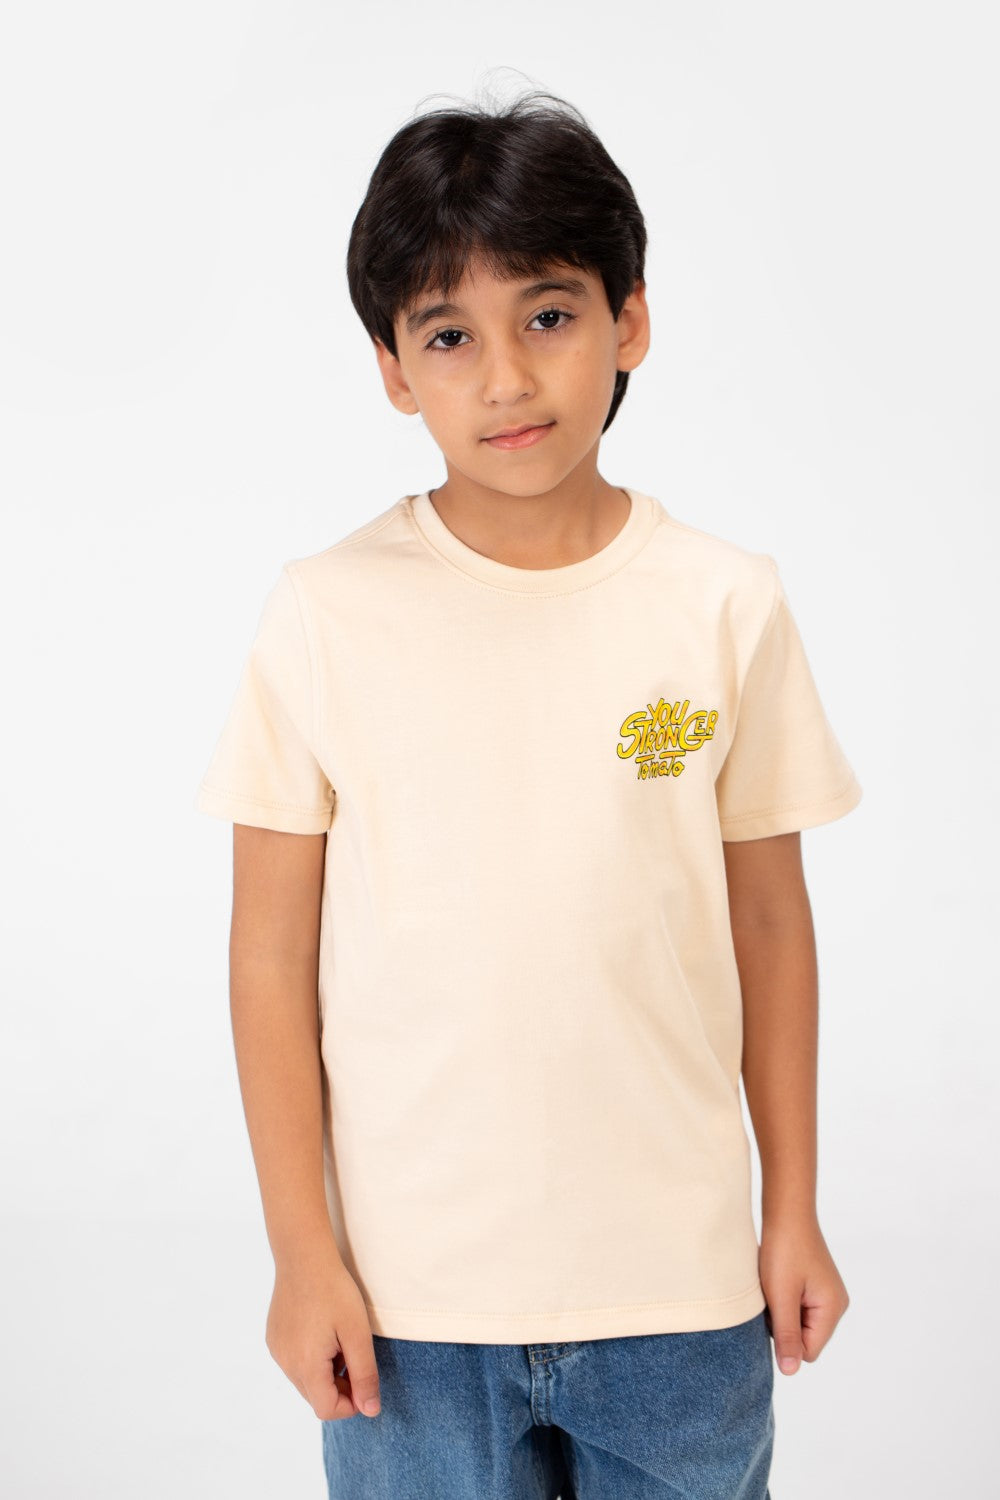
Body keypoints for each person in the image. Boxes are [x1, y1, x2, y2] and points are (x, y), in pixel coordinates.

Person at [195, 85, 863, 1500]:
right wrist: (302, 1255)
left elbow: (771, 929)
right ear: (393, 368)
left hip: (679, 1295)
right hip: (408, 1308)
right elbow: (267, 956)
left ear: (630, 320)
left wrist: (793, 1210)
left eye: (548, 316)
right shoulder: (325, 614)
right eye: (450, 336)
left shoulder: (724, 604)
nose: (506, 378)